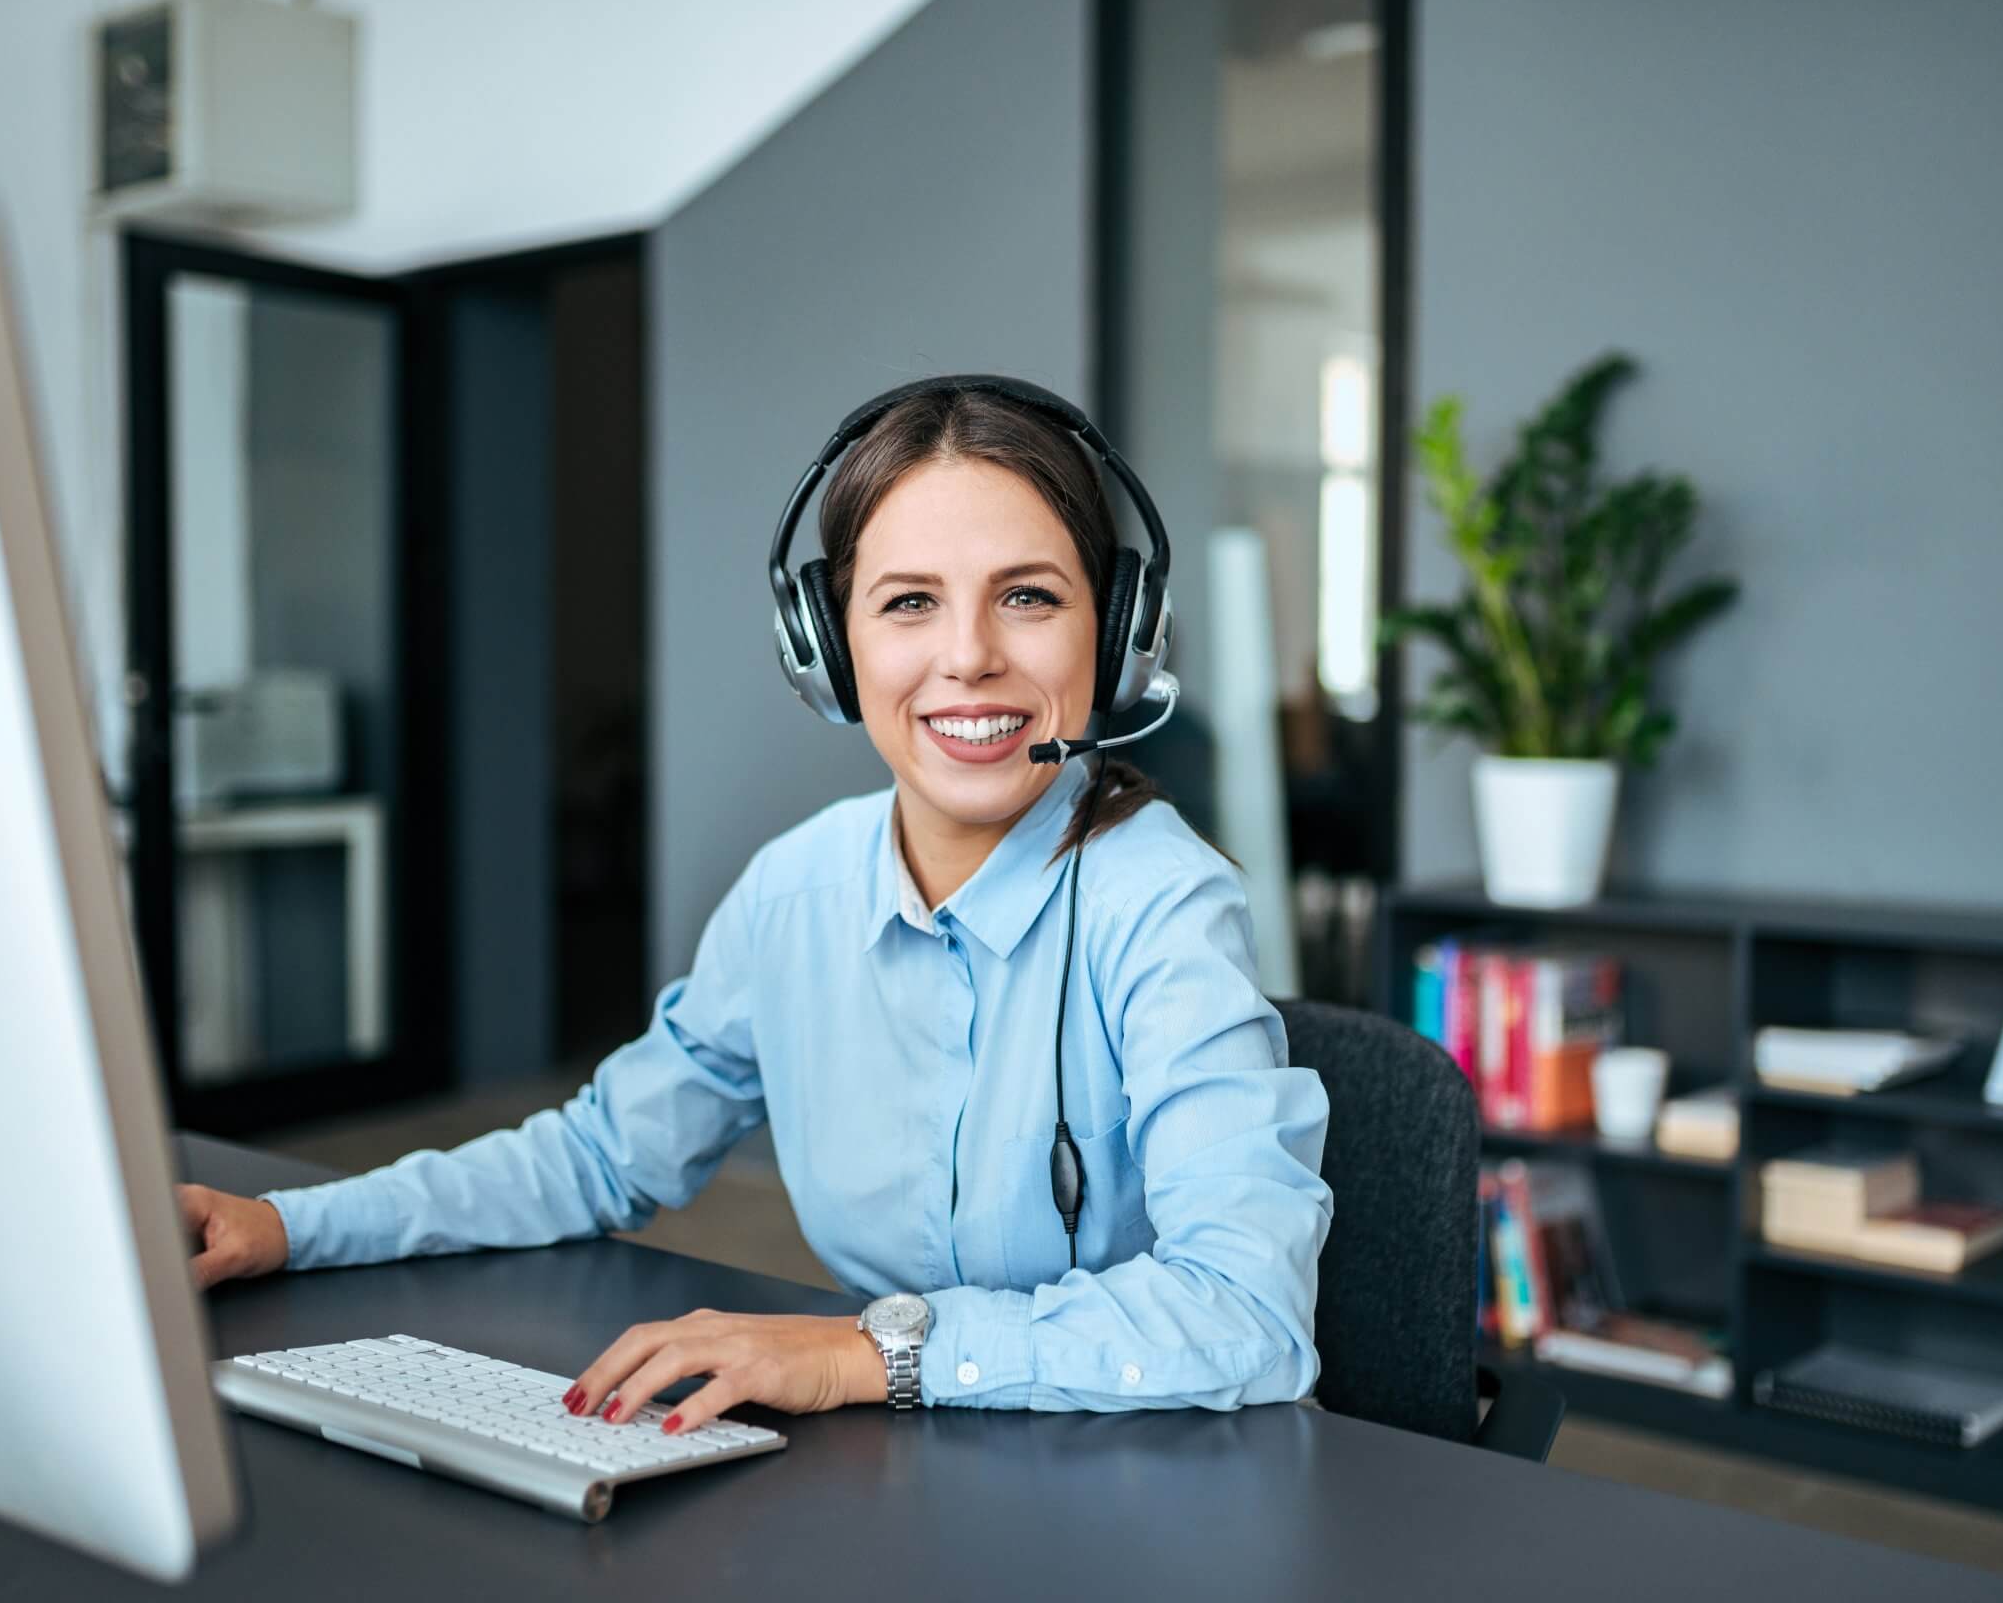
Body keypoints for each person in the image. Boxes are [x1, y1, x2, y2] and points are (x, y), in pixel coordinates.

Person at [177, 380, 1332, 1434]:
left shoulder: (1162, 903)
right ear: (828, 647)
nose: (968, 655)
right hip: (899, 1481)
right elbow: (596, 1155)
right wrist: (290, 1225)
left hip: (1147, 1493)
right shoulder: (795, 892)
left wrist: (859, 1354)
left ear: (1115, 632)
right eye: (908, 602)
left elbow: (1246, 1306)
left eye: (1027, 595)